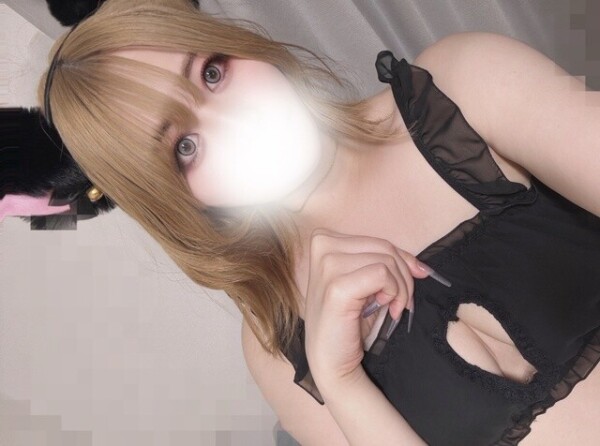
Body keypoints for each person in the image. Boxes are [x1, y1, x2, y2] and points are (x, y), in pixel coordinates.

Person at [35, 0, 600, 444]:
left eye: (212, 73)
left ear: (240, 45)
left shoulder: (462, 85)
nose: (235, 121)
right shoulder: (276, 345)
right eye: (186, 146)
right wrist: (343, 382)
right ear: (172, 200)